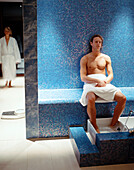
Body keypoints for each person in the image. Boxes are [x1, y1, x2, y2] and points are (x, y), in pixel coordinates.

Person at [79, 34, 126, 133]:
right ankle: (94, 125)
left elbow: (111, 75)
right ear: (91, 43)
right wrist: (97, 81)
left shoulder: (106, 58)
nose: (98, 44)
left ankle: (113, 123)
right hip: (90, 83)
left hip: (104, 82)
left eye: (100, 42)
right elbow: (83, 77)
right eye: (96, 42)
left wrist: (105, 82)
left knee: (122, 98)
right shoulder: (85, 58)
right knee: (90, 98)